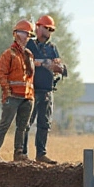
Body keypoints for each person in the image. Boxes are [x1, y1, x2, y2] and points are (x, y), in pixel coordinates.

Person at [0, 19, 36, 163]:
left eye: (29, 35)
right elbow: (2, 75)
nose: (27, 37)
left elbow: (30, 78)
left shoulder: (28, 55)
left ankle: (19, 154)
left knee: (23, 127)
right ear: (16, 34)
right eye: (25, 34)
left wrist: (31, 97)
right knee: (5, 125)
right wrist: (7, 92)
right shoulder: (8, 54)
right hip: (13, 96)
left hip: (27, 97)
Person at [25, 14, 67, 164]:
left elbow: (60, 67)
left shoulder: (52, 48)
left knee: (44, 123)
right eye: (47, 28)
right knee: (26, 122)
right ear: (38, 27)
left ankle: (41, 154)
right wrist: (44, 62)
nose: (49, 31)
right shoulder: (29, 45)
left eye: (51, 29)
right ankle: (22, 154)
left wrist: (59, 68)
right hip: (31, 90)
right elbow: (26, 61)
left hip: (47, 90)